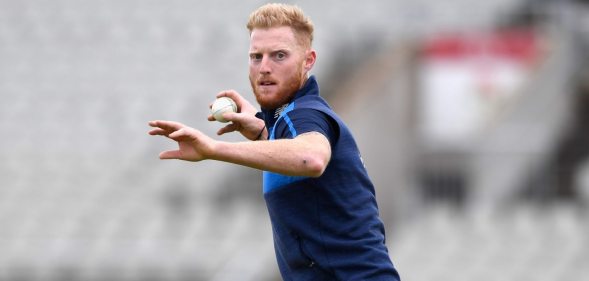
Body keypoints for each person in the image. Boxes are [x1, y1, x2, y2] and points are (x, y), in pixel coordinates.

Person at [148, 3, 400, 281]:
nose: (264, 67)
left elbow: (311, 159)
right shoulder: (287, 121)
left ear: (308, 60)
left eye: (279, 55)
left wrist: (213, 149)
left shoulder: (305, 114)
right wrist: (262, 131)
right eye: (256, 57)